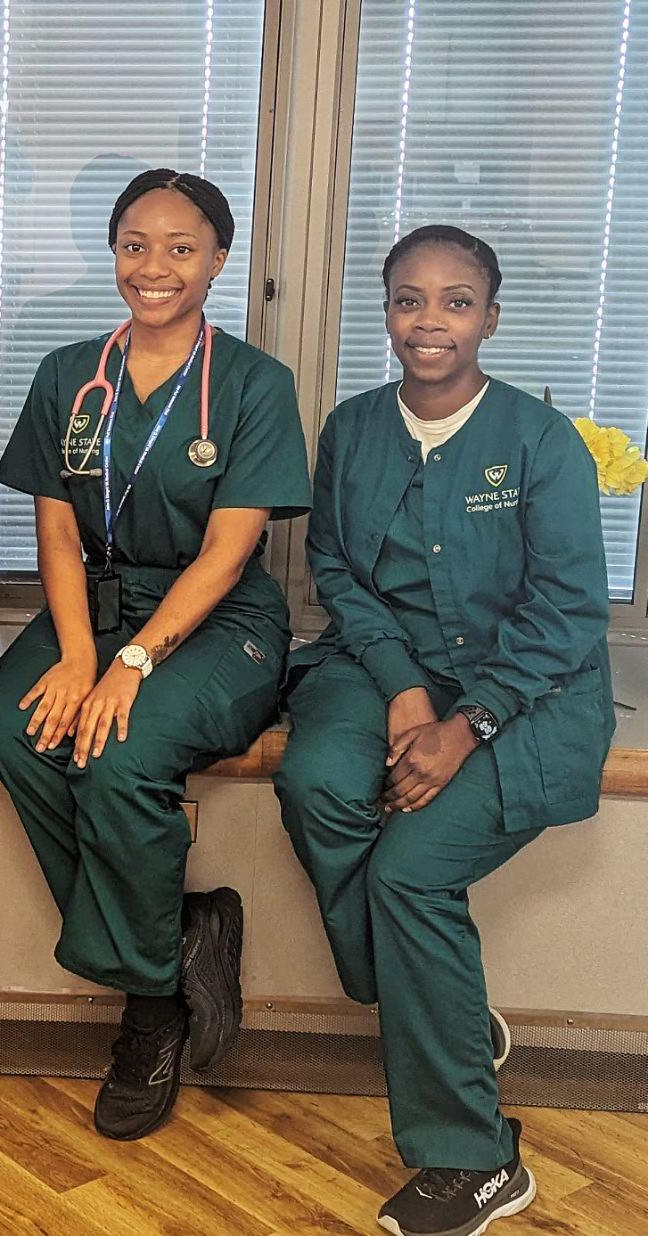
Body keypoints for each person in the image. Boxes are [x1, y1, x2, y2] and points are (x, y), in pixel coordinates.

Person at [273, 225, 612, 1236]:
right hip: (376, 664)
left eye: (455, 302)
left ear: (489, 318)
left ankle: (476, 1159)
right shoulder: (352, 427)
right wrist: (400, 689)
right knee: (314, 787)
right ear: (385, 312)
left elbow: (568, 612)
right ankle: (445, 1016)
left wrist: (465, 720)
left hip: (526, 690)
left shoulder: (536, 440)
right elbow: (333, 567)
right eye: (408, 300)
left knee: (408, 873)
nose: (430, 321)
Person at [0, 168, 310, 1140]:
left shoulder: (252, 385)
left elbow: (228, 550)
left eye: (178, 247)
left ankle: (149, 1012)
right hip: (96, 607)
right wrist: (81, 654)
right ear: (111, 252)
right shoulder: (67, 374)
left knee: (119, 754)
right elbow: (53, 538)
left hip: (217, 621)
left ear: (215, 258)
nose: (152, 266)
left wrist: (131, 665)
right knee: (15, 729)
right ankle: (176, 938)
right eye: (134, 244)